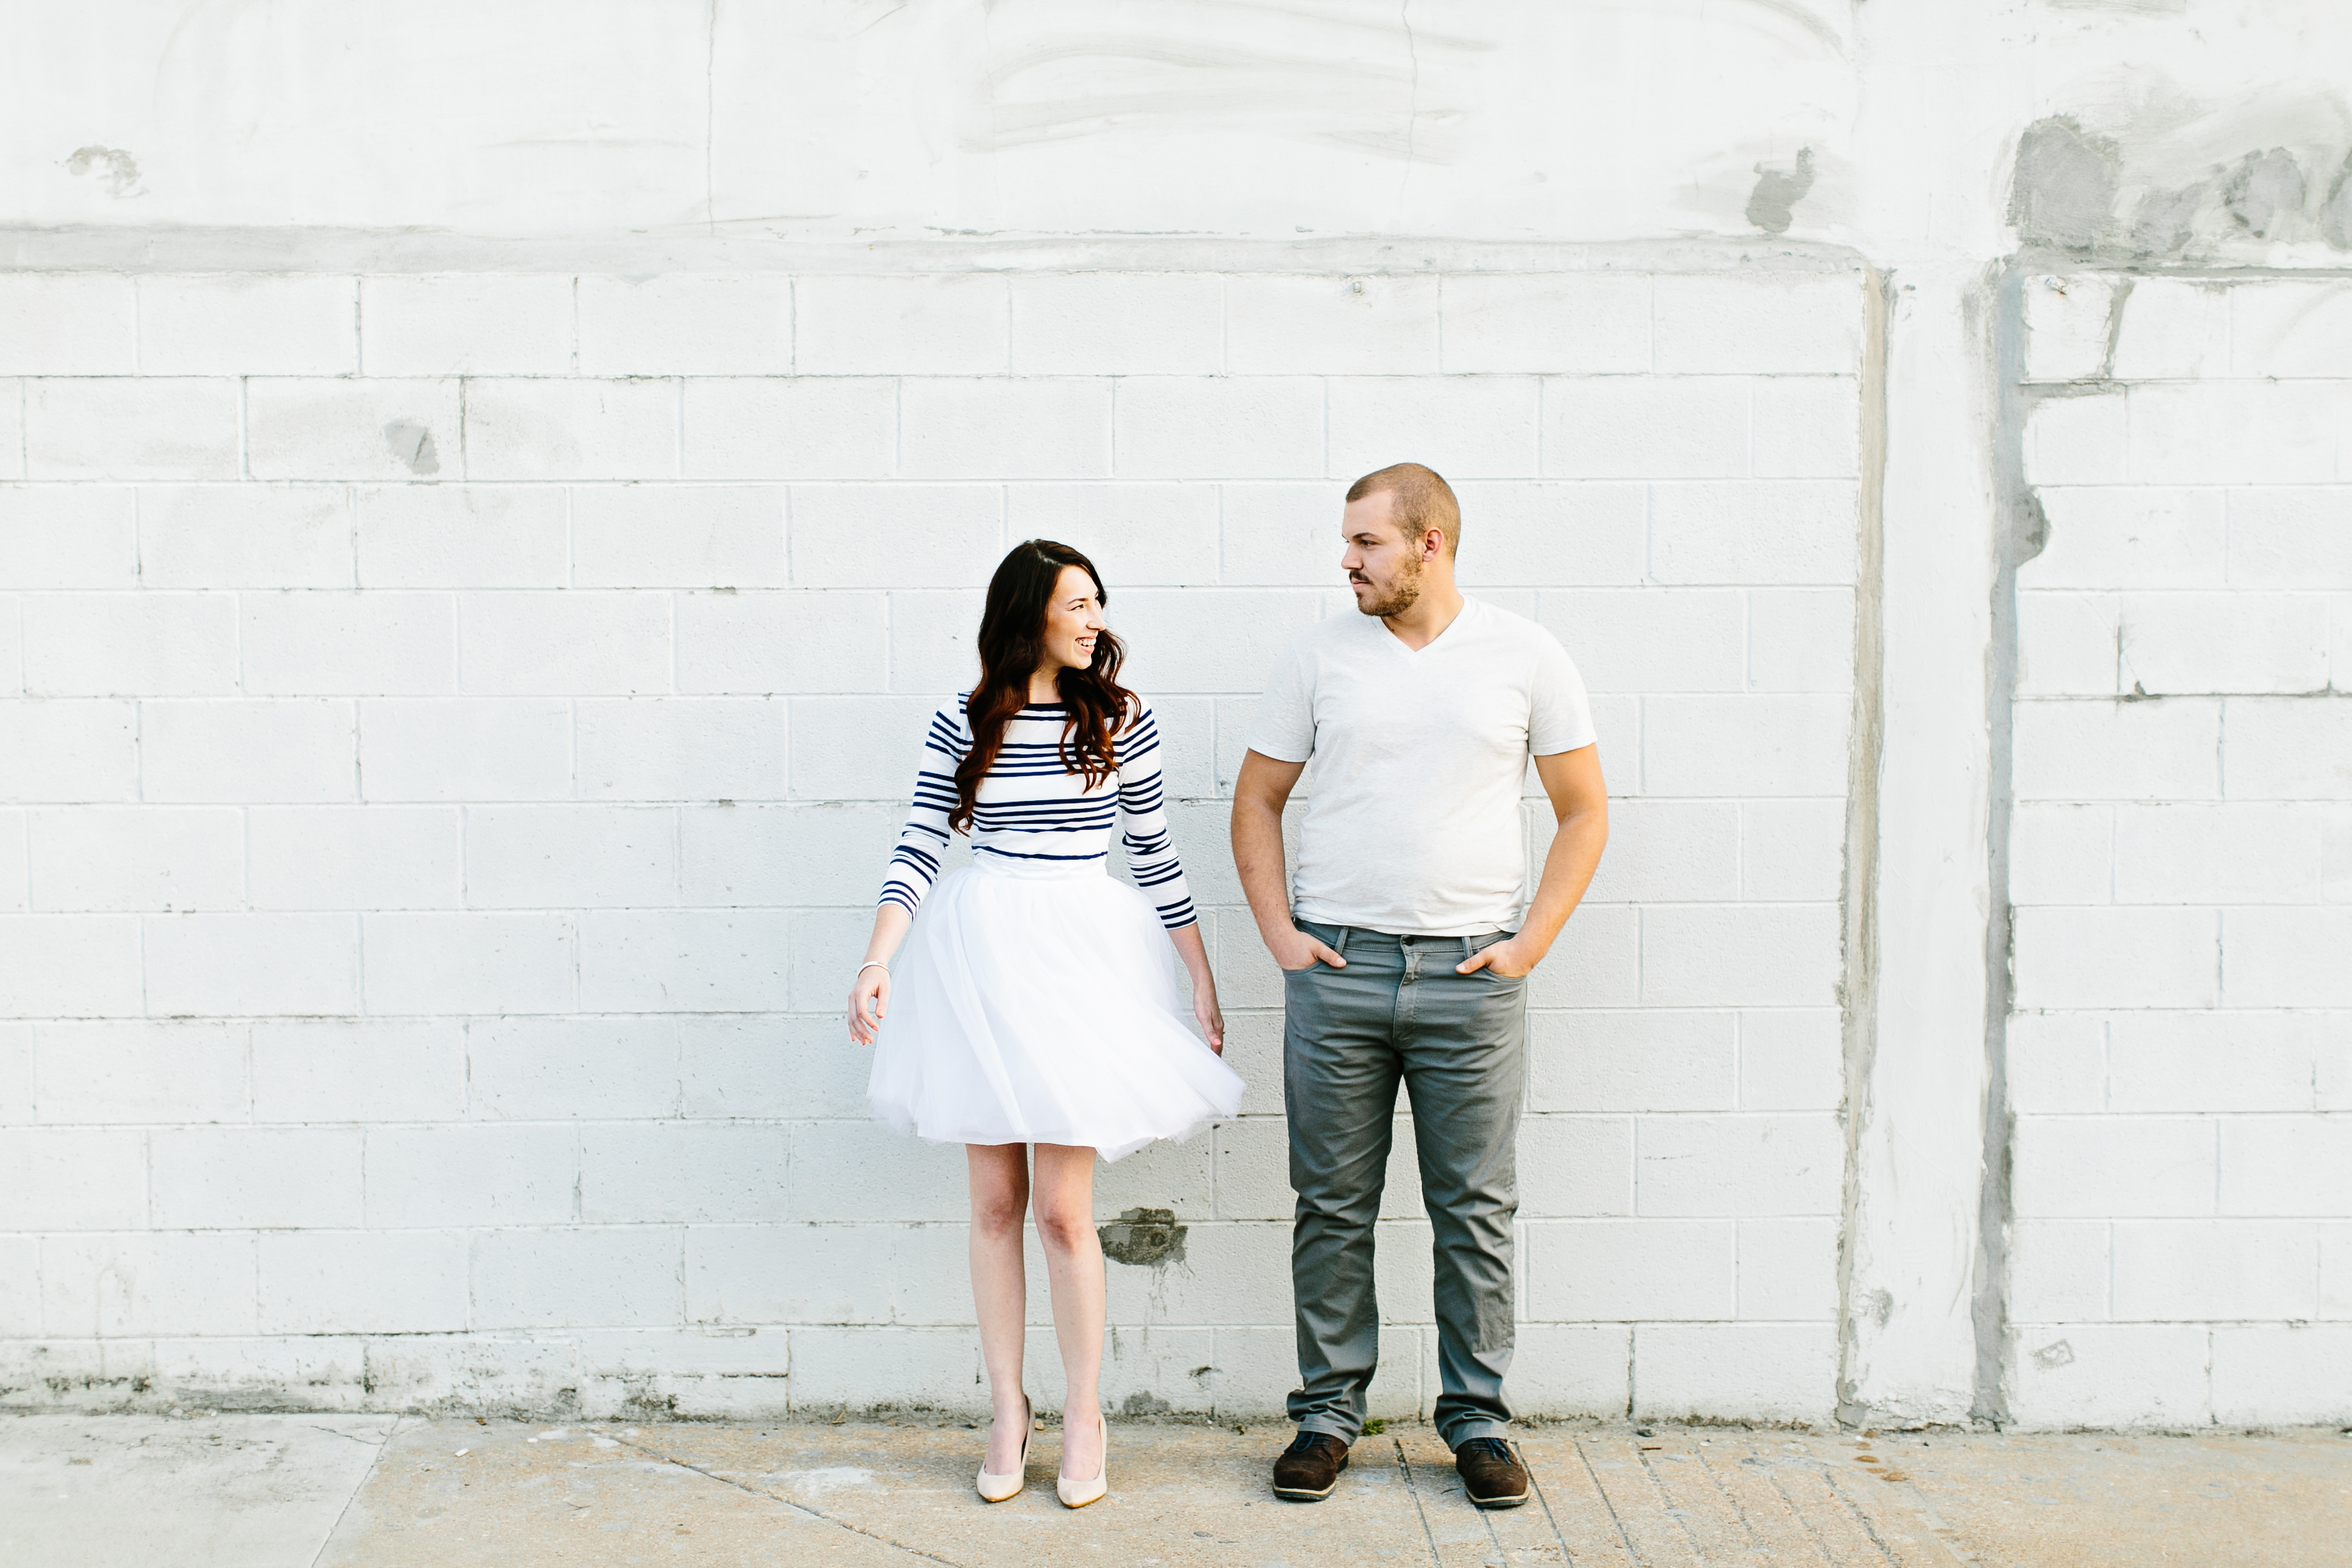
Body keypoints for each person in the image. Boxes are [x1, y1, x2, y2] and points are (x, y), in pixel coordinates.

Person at [1230, 463, 1610, 1509]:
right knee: (1332, 1208)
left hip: (1470, 977)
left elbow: (1584, 810)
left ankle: (1477, 1422)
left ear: (1428, 542)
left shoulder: (1524, 655)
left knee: (1474, 1210)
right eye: (1348, 544)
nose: (1346, 562)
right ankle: (1326, 1417)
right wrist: (1282, 937)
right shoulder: (1317, 657)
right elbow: (1256, 802)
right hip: (1340, 972)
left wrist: (1527, 946)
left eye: (1366, 544)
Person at [849, 538, 1243, 1511]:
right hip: (979, 956)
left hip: (1080, 958)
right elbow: (919, 842)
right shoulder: (965, 717)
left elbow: (1153, 852)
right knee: (993, 1203)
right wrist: (877, 960)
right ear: (1029, 612)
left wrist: (1199, 978)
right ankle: (1005, 1411)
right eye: (1077, 603)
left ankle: (1085, 1414)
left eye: (1099, 602)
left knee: (1064, 1211)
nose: (1094, 619)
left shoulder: (1119, 717)